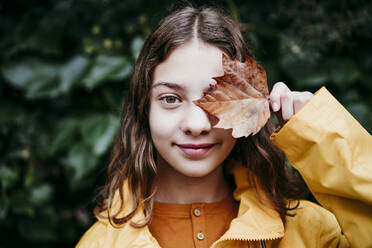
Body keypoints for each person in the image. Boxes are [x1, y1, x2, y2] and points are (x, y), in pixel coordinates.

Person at [76, 5, 372, 248]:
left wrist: (325, 138)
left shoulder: (309, 232)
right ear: (144, 108)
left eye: (215, 98)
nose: (196, 124)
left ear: (247, 104)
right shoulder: (99, 244)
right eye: (170, 98)